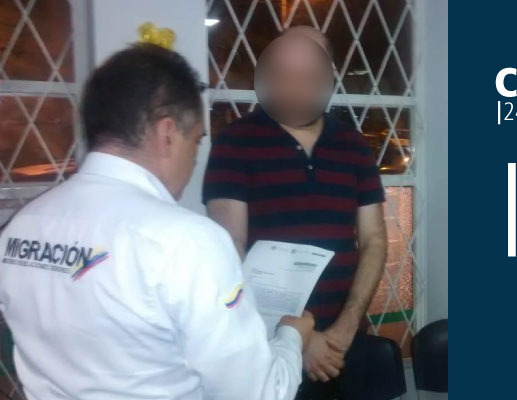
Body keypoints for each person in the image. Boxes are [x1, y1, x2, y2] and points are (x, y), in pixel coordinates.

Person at [0, 44, 314, 399]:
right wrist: (292, 338)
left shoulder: (22, 227)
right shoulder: (187, 242)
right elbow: (258, 393)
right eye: (195, 141)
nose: (194, 159)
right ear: (168, 134)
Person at [204, 27, 400, 399]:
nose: (295, 86)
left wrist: (346, 327)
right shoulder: (236, 143)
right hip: (272, 348)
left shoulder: (353, 145)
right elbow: (229, 249)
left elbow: (374, 240)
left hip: (346, 343)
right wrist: (298, 339)